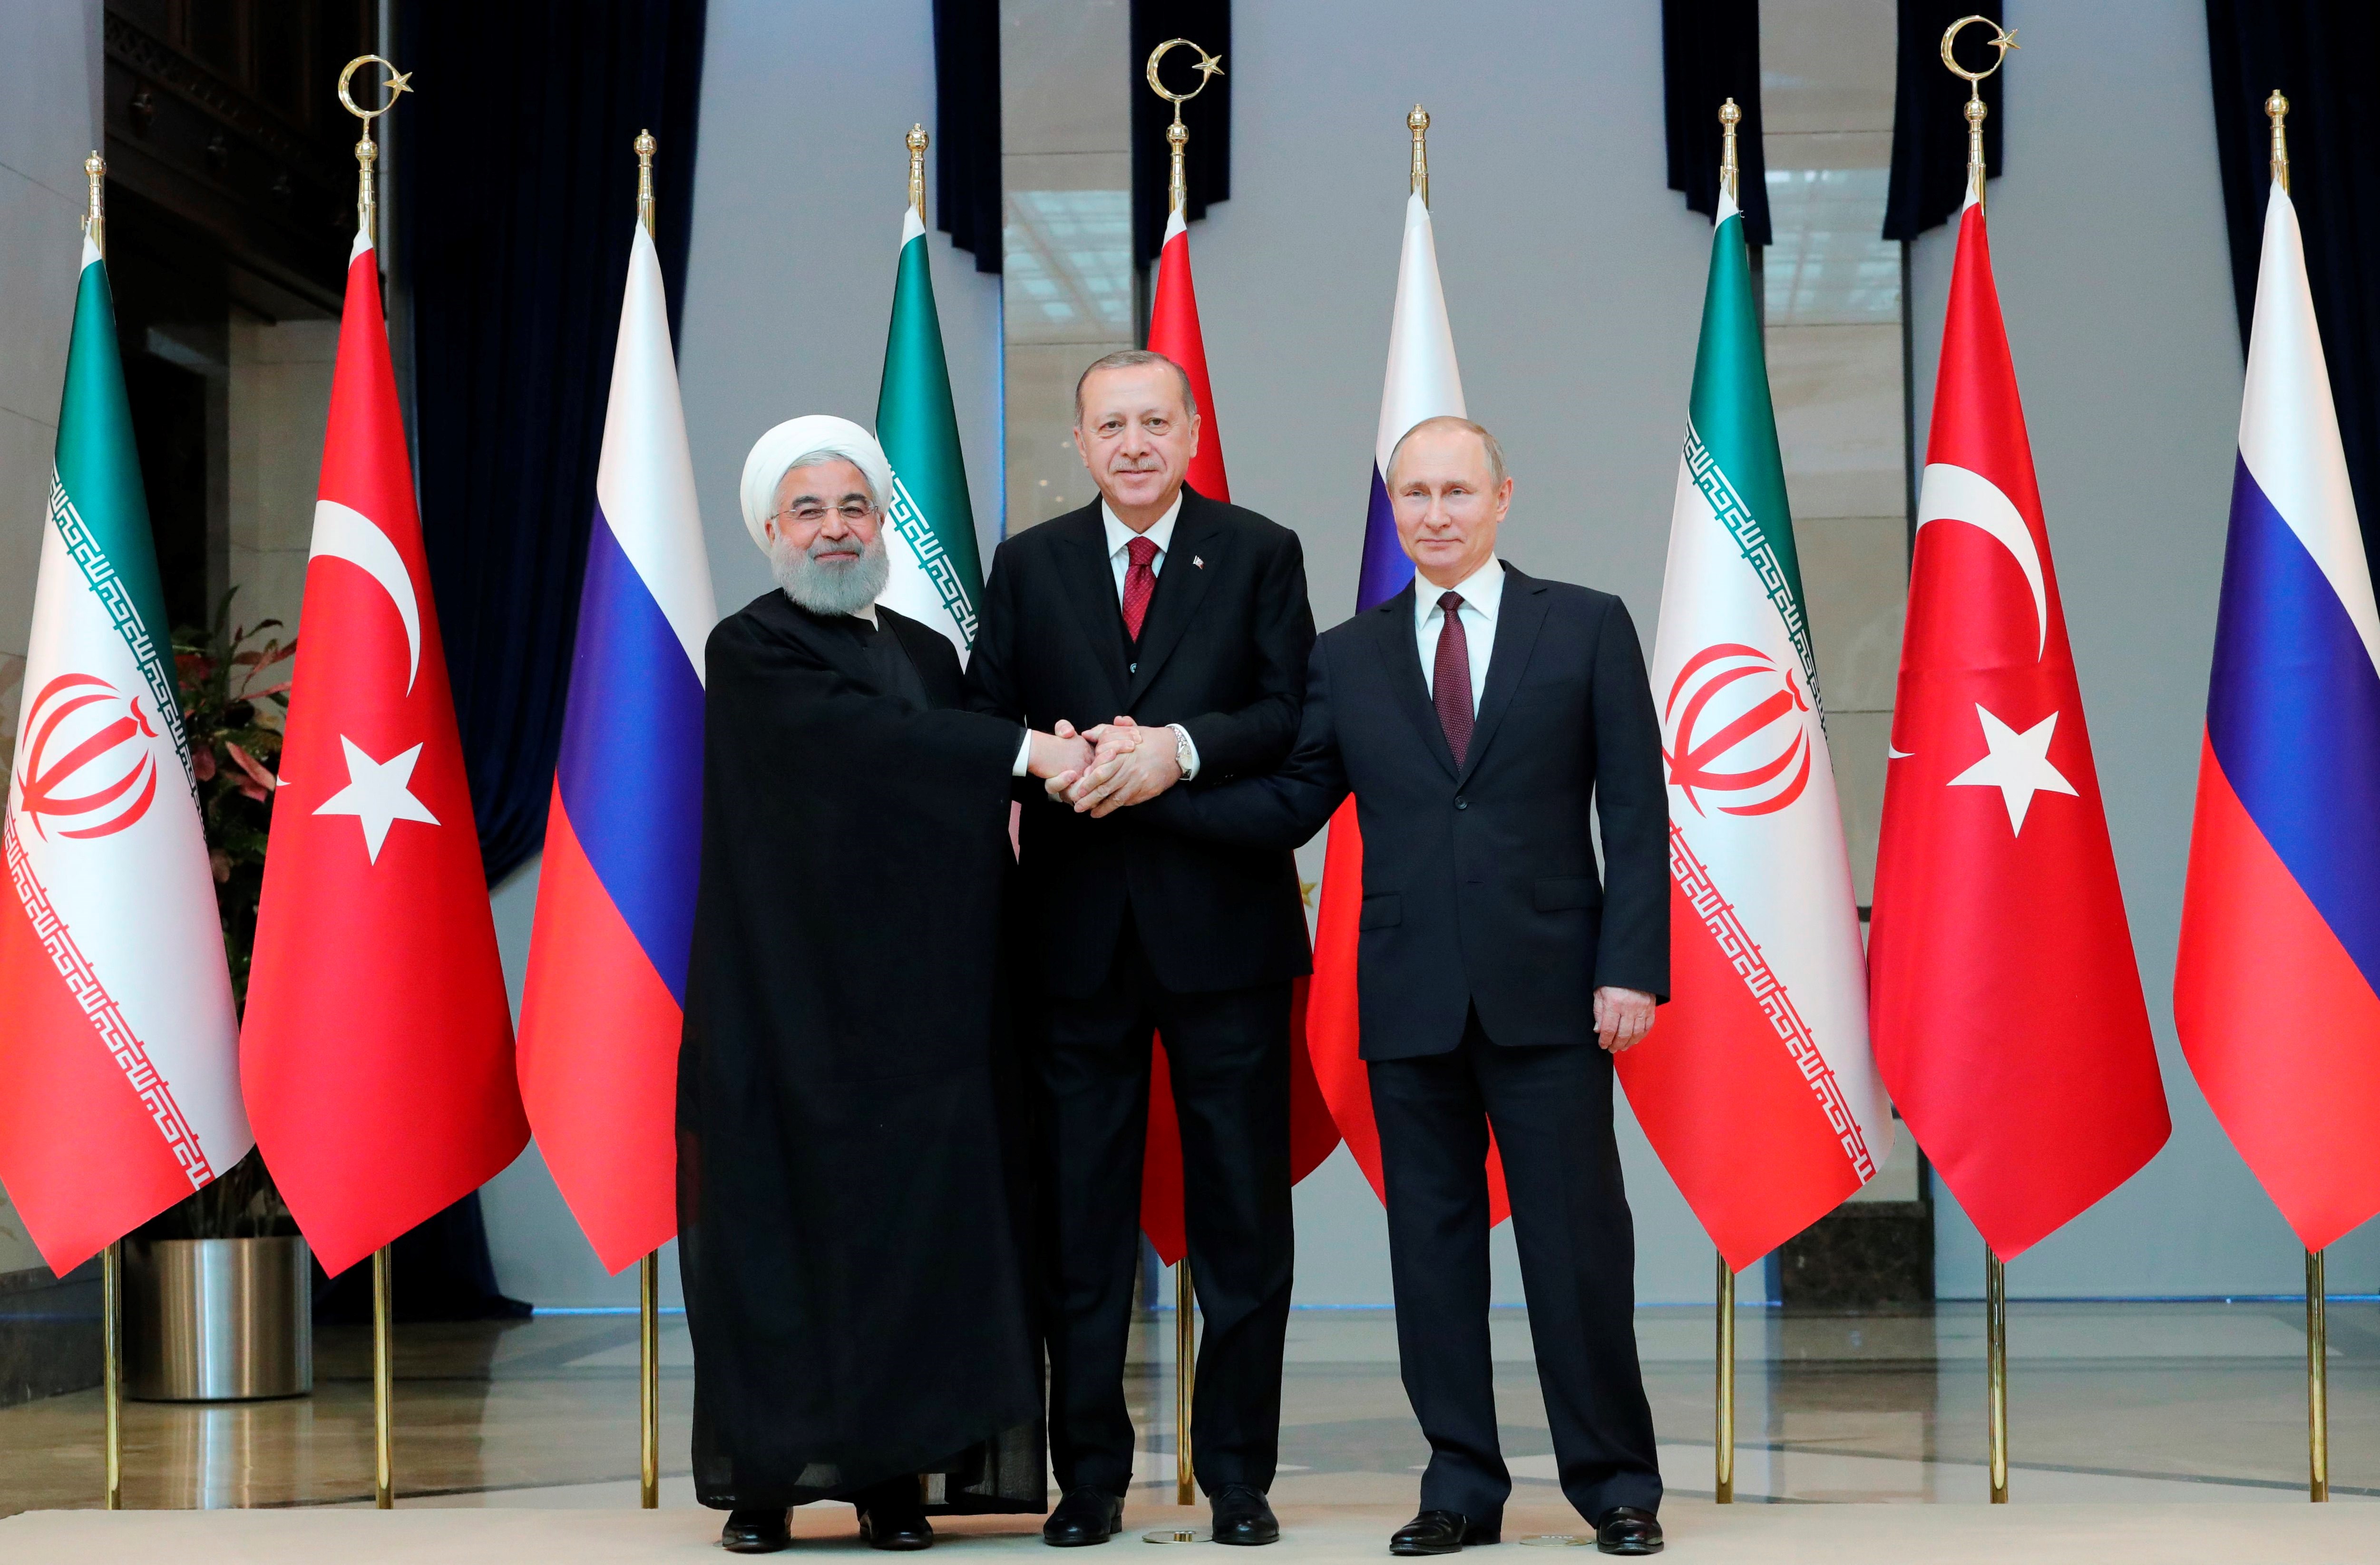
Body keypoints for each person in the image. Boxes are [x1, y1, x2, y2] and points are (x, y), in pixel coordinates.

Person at [1058, 417, 1669, 1557]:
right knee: (1431, 1252)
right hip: (1408, 995)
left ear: (1502, 497)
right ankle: (1460, 1485)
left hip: (1554, 993)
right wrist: (1152, 784)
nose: (1434, 513)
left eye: (1456, 490)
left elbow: (1636, 812)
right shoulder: (1347, 653)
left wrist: (1631, 963)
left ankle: (1615, 1482)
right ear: (1394, 509)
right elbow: (1291, 803)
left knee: (1578, 1247)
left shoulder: (1584, 624)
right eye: (1414, 495)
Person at [679, 417, 1096, 1555]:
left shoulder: (928, 653)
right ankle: (765, 1483)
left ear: (881, 526)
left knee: (908, 1240)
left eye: (853, 508)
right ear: (771, 528)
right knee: (775, 1237)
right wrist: (1018, 750)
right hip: (784, 1003)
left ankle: (889, 1483)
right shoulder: (749, 647)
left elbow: (945, 796)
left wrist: (1057, 759)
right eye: (808, 511)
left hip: (914, 1014)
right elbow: (858, 744)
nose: (833, 529)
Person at [964, 350, 1316, 1547]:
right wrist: (1044, 751)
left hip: (1224, 931)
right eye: (1109, 424)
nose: (1132, 443)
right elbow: (980, 717)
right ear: (1080, 440)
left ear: (1191, 428)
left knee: (1242, 1227)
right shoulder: (1029, 566)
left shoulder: (1262, 552)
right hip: (1072, 944)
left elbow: (1287, 711)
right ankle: (1092, 1481)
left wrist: (1177, 747)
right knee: (1082, 1230)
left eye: (1153, 421)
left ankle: (1238, 1477)